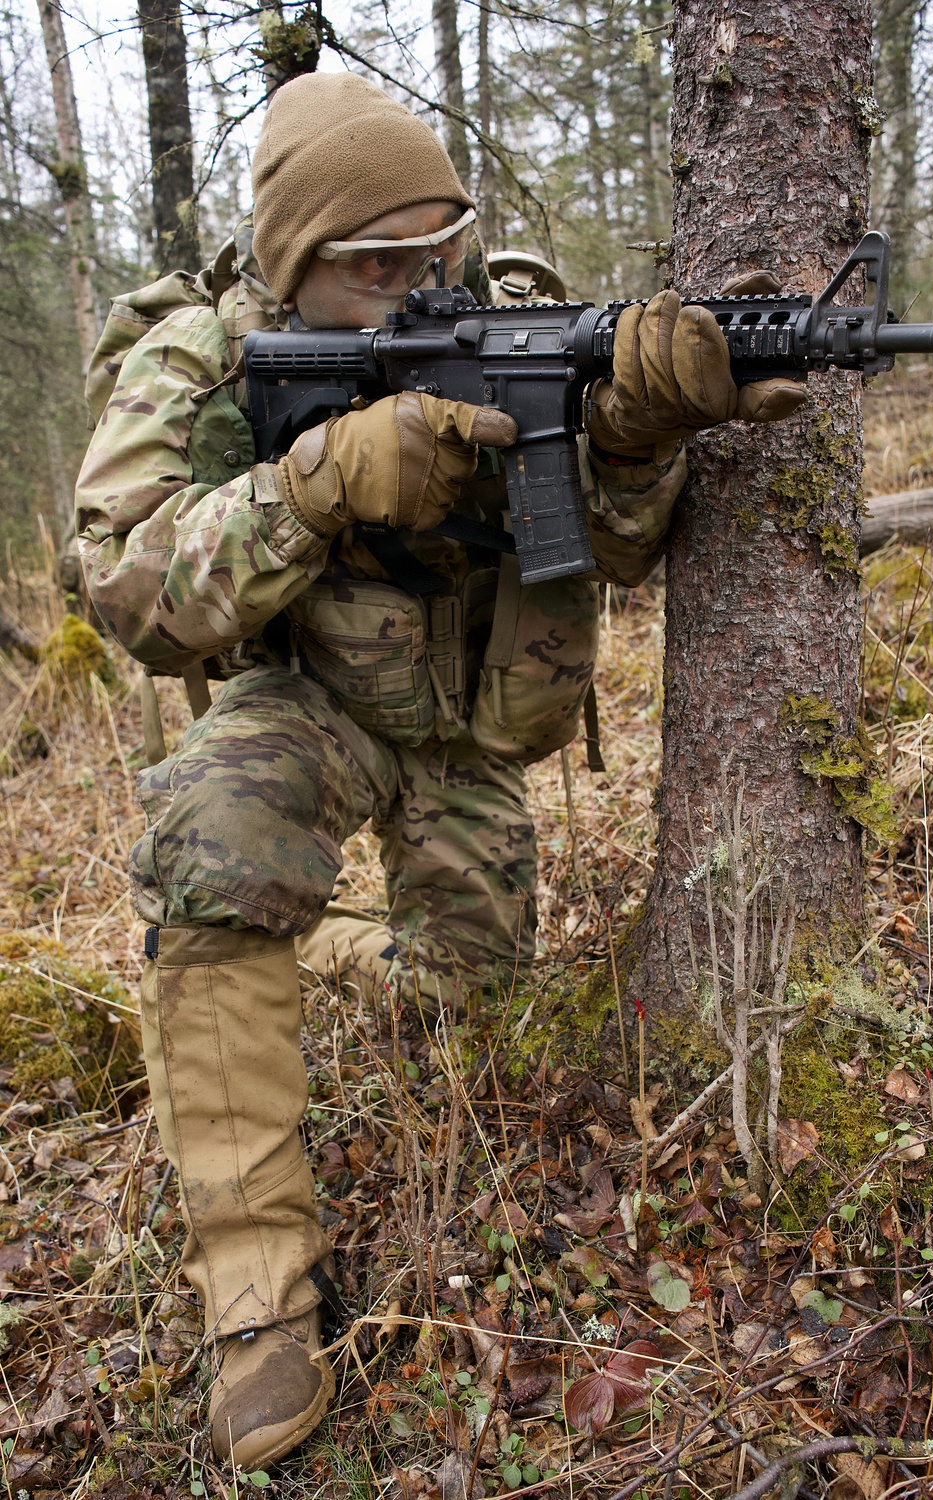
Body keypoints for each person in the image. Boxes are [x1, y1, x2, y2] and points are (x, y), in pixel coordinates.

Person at [75, 71, 804, 1469]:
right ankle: (257, 1292)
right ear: (294, 264)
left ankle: (344, 953)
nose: (424, 281)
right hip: (310, 703)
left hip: (473, 732)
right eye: (377, 265)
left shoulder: (522, 315)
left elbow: (624, 546)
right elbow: (121, 585)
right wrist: (316, 484)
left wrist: (641, 435)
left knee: (464, 1010)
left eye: (440, 247)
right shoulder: (203, 356)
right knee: (215, 849)